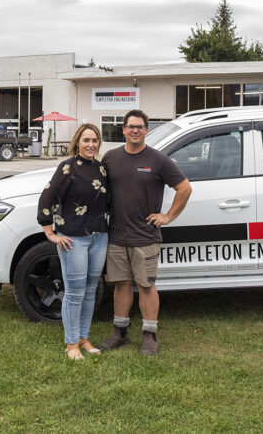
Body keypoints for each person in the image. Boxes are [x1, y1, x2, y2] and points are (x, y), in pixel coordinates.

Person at [99, 109, 192, 356]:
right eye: (131, 126)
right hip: (117, 236)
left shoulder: (158, 159)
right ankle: (120, 332)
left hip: (145, 237)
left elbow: (184, 188)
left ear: (146, 130)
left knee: (147, 285)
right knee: (121, 285)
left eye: (140, 126)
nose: (135, 130)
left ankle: (150, 336)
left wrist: (168, 216)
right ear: (124, 130)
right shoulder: (110, 158)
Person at [38, 123, 110, 360]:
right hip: (73, 240)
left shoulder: (101, 169)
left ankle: (83, 338)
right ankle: (71, 344)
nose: (91, 145)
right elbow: (46, 197)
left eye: (95, 140)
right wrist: (50, 233)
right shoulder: (68, 168)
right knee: (75, 292)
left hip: (99, 237)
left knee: (90, 291)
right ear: (78, 142)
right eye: (86, 140)